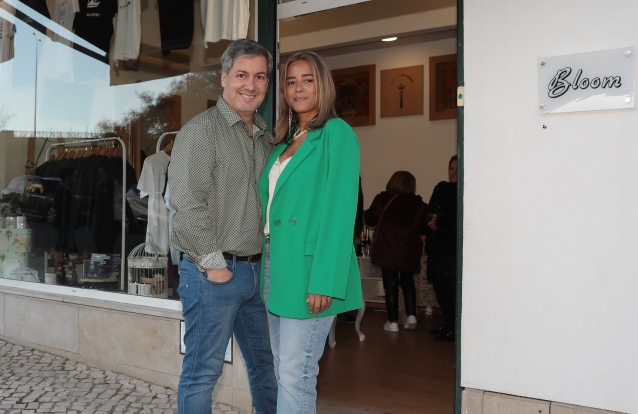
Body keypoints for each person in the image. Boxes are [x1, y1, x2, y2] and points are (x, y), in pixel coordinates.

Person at [168, 39, 277, 414]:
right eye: (242, 75)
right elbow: (187, 203)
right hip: (212, 274)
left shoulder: (264, 138)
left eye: (260, 76)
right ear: (224, 77)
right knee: (202, 374)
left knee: (266, 369)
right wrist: (215, 267)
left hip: (256, 274)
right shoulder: (202, 131)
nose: (251, 85)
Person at [259, 51, 362, 413]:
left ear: (323, 85)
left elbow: (340, 211)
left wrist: (325, 280)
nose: (298, 88)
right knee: (282, 369)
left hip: (310, 270)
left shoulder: (336, 133)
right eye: (291, 81)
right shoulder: (283, 141)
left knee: (295, 373)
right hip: (274, 264)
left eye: (307, 80)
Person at [364, 171, 428, 332]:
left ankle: (392, 322)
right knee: (408, 283)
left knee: (390, 285)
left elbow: (369, 219)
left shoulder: (382, 199)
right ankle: (411, 316)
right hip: (409, 251)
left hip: (387, 250)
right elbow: (423, 228)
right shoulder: (419, 204)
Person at [426, 155, 458, 342]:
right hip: (436, 248)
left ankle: (454, 328)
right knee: (439, 287)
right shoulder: (442, 187)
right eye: (451, 168)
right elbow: (430, 211)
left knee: (451, 290)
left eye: (457, 169)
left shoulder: (467, 190)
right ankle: (448, 324)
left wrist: (440, 221)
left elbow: (460, 218)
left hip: (451, 250)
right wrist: (432, 220)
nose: (453, 172)